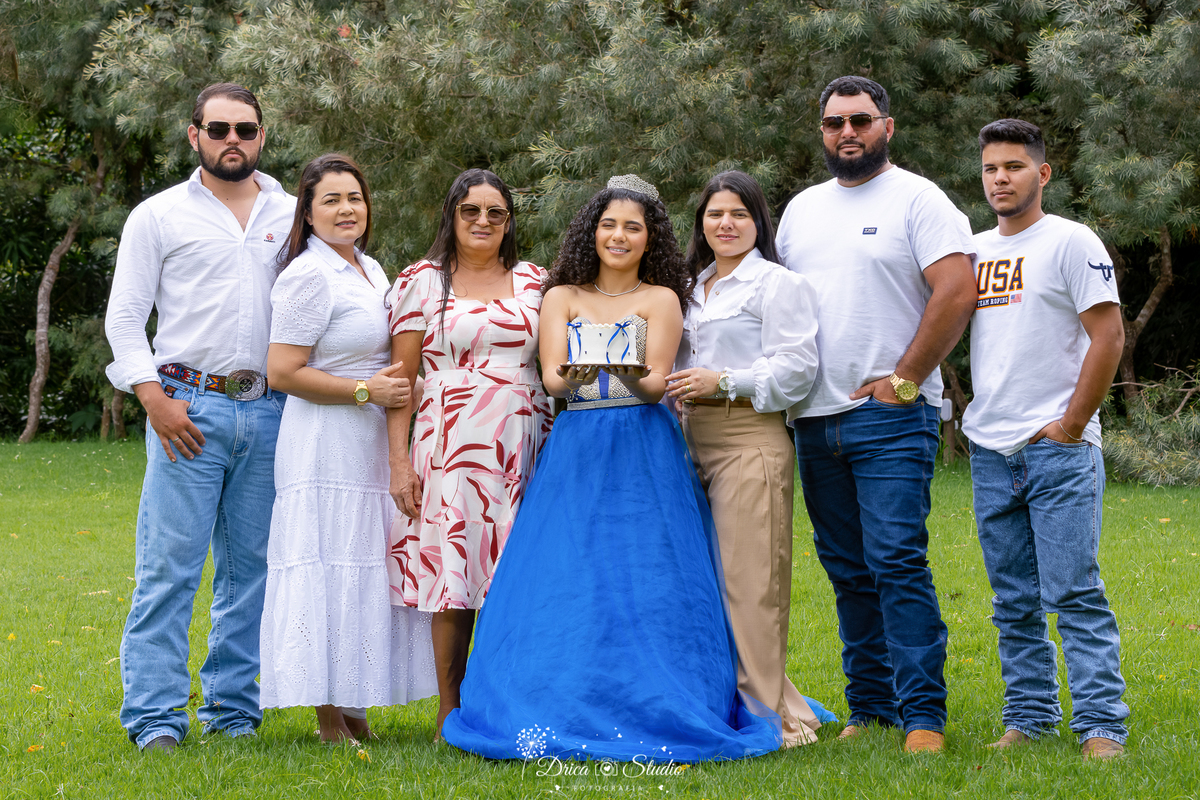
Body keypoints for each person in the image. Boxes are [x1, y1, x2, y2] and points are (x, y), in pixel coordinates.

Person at [440, 175, 783, 763]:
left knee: (646, 570)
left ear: (650, 239)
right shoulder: (562, 296)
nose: (618, 236)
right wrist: (575, 375)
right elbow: (552, 378)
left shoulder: (662, 299)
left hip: (642, 444)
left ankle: (661, 693)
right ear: (590, 233)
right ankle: (559, 690)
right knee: (570, 567)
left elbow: (653, 386)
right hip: (578, 442)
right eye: (608, 225)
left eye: (632, 227)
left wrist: (618, 369)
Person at [775, 75, 978, 753]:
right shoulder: (800, 210)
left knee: (895, 561)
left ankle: (923, 716)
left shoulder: (919, 199)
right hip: (812, 417)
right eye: (834, 123)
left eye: (860, 120)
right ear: (822, 132)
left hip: (888, 417)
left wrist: (907, 378)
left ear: (886, 126)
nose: (847, 133)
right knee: (846, 568)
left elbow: (956, 290)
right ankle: (872, 705)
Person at [104, 83, 296, 751]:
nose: (232, 139)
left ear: (262, 136)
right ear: (195, 136)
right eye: (218, 129)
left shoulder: (293, 215)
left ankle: (233, 713)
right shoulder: (158, 216)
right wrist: (154, 399)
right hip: (187, 407)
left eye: (245, 128)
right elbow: (126, 317)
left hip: (273, 411)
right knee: (169, 569)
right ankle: (156, 720)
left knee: (251, 572)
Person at [962, 119, 1129, 760]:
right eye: (990, 169)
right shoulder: (972, 251)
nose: (1000, 178)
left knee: (1076, 593)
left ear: (1042, 173)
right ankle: (1028, 718)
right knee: (1012, 601)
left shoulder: (1071, 241)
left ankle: (1101, 726)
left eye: (1013, 166)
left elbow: (1108, 336)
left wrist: (1068, 424)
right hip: (989, 449)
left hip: (1057, 448)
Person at [258, 154, 437, 742]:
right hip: (322, 439)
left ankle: (356, 700)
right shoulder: (306, 275)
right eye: (330, 200)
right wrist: (364, 389)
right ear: (307, 213)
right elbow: (281, 371)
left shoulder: (370, 269)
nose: (345, 209)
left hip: (369, 440)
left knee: (365, 561)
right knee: (329, 562)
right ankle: (328, 716)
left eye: (354, 198)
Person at [385, 169, 554, 738]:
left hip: (522, 443)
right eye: (470, 211)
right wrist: (400, 462)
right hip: (448, 445)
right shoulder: (423, 281)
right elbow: (401, 381)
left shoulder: (537, 282)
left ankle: (509, 702)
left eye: (496, 213)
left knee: (518, 571)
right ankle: (449, 710)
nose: (483, 221)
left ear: (510, 222)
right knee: (452, 573)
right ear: (451, 216)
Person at [665, 170, 828, 747]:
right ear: (700, 224)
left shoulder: (778, 286)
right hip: (686, 441)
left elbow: (797, 371)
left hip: (748, 438)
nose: (726, 224)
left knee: (749, 581)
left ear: (759, 221)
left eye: (738, 213)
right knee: (701, 579)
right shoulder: (689, 287)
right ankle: (725, 697)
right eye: (714, 214)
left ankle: (771, 714)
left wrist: (724, 380)